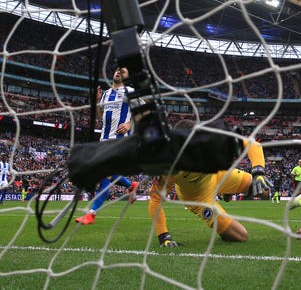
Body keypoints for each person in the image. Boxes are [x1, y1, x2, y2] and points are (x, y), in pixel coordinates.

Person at [149, 119, 272, 246]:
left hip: (218, 176)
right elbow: (155, 199)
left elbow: (252, 144)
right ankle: (223, 216)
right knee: (241, 236)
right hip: (198, 198)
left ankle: (226, 191)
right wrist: (164, 236)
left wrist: (258, 172)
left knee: (264, 190)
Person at [76, 67, 139, 225]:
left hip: (120, 141)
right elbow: (99, 116)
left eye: (123, 71)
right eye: (117, 70)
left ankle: (91, 213)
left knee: (105, 175)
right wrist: (97, 101)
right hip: (104, 140)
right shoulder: (105, 94)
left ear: (128, 76)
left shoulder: (131, 91)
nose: (118, 72)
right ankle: (131, 185)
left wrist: (130, 123)